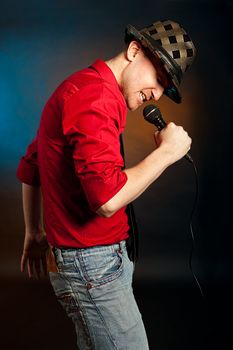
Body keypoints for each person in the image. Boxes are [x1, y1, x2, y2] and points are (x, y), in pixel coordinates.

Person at [16, 20, 196, 349]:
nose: (156, 94)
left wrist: (33, 232)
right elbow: (107, 200)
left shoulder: (86, 87)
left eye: (165, 87)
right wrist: (167, 154)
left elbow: (33, 164)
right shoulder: (95, 98)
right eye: (158, 79)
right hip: (92, 266)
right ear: (134, 50)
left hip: (93, 262)